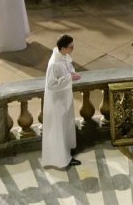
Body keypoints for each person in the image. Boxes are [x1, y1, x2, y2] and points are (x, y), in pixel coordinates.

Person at [41, 34, 82, 169]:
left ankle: (67, 150)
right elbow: (51, 84)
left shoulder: (63, 56)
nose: (73, 48)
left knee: (66, 126)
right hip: (57, 102)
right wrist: (69, 77)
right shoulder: (54, 64)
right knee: (59, 129)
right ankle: (62, 159)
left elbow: (69, 66)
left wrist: (72, 74)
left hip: (65, 97)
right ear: (63, 48)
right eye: (71, 47)